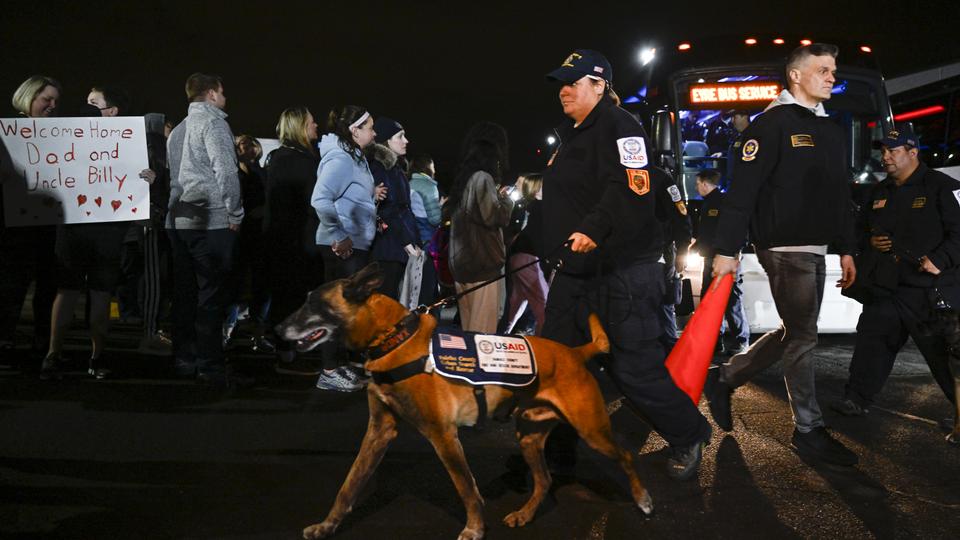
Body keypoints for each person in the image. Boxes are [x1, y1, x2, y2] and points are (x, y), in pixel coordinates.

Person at [540, 49, 712, 480]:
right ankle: (555, 454)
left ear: (600, 85)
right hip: (575, 272)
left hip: (622, 273)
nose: (564, 90)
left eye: (573, 82)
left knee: (633, 369)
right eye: (561, 82)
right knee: (558, 363)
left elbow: (631, 187)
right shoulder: (572, 134)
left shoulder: (622, 126)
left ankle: (689, 433)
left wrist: (595, 228)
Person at [707, 43, 859, 466]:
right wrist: (726, 250)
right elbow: (742, 193)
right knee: (804, 336)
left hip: (817, 249)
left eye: (834, 70)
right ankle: (808, 430)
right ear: (796, 76)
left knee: (796, 331)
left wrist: (846, 248)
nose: (832, 76)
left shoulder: (830, 128)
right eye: (823, 70)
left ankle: (727, 377)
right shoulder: (769, 125)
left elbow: (839, 195)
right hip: (784, 248)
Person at [832, 126, 959, 418]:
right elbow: (858, 231)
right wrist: (869, 243)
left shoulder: (943, 186)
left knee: (945, 357)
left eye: (893, 151)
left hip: (930, 292)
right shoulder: (879, 191)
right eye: (884, 151)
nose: (885, 157)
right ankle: (856, 398)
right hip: (888, 288)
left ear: (913, 153)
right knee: (872, 344)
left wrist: (940, 259)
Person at [41, 89, 155, 380]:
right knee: (87, 294)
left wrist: (147, 179)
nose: (88, 109)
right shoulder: (122, 141)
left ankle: (67, 355)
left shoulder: (124, 142)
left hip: (90, 229)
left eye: (94, 104)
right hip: (94, 229)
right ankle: (83, 356)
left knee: (81, 293)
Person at [166, 73, 246, 387]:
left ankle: (185, 358)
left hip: (180, 221)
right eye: (222, 92)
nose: (225, 98)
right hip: (210, 221)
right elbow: (225, 170)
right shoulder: (214, 124)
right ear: (211, 94)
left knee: (184, 295)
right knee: (211, 296)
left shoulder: (180, 130)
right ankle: (211, 365)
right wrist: (234, 212)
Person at [311, 104, 381, 391]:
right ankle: (328, 370)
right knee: (337, 310)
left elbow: (349, 196)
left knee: (347, 311)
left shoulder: (354, 157)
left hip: (354, 243)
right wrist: (338, 234)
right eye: (370, 127)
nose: (374, 132)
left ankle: (338, 365)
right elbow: (321, 199)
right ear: (355, 130)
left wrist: (370, 202)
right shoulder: (341, 158)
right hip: (341, 246)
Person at [0, 76, 61, 361]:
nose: (51, 105)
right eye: (46, 99)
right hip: (15, 224)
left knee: (48, 284)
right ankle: (5, 336)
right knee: (13, 283)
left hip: (51, 224)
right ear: (28, 97)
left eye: (55, 101)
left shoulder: (63, 133)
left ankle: (41, 338)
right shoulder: (7, 132)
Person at [263, 106, 322, 374]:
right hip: (293, 242)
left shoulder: (285, 157)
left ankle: (288, 350)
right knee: (290, 298)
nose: (316, 125)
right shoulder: (295, 161)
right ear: (299, 126)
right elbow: (309, 204)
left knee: (289, 296)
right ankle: (286, 354)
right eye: (311, 122)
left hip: (287, 240)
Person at [446, 121, 515, 333]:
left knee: (469, 329)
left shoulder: (463, 181)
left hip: (462, 266)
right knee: (483, 334)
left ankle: (469, 365)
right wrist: (508, 202)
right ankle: (480, 367)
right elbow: (492, 215)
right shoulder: (482, 178)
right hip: (482, 265)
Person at [691, 169, 749, 355]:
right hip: (710, 258)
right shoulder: (708, 204)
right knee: (709, 302)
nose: (696, 187)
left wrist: (733, 254)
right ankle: (715, 342)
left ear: (705, 184)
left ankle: (741, 341)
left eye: (698, 184)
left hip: (725, 259)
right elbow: (707, 234)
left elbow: (737, 230)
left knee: (731, 301)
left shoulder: (724, 203)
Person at [223, 134, 269, 346]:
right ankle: (228, 329)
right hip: (237, 234)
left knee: (261, 282)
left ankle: (258, 330)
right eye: (241, 144)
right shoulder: (231, 174)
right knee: (234, 282)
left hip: (260, 235)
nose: (246, 147)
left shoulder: (264, 173)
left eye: (250, 143)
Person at [367, 117, 420, 300]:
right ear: (386, 140)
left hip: (397, 245)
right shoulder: (381, 167)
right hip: (389, 247)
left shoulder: (394, 168)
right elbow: (388, 210)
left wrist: (415, 241)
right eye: (400, 136)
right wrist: (408, 242)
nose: (406, 141)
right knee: (386, 300)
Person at [502, 173, 548, 335]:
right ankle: (543, 349)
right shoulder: (542, 207)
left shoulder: (531, 206)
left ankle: (500, 337)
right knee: (544, 308)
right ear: (537, 190)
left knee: (515, 305)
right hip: (529, 259)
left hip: (518, 256)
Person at [409, 154, 441, 305]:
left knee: (412, 285)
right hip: (428, 241)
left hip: (411, 240)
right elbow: (435, 219)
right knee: (428, 285)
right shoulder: (429, 186)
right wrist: (441, 207)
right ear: (427, 167)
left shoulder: (408, 183)